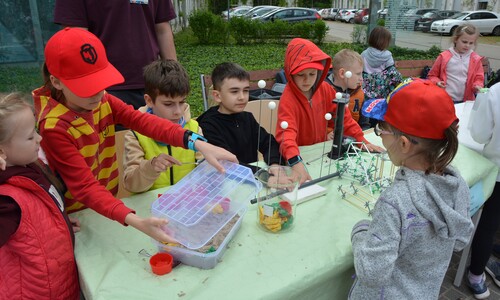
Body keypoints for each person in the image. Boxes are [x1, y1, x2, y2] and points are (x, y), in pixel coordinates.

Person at [32, 28, 236, 244]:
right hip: (77, 213)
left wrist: (195, 142)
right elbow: (84, 187)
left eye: (100, 84)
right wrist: (134, 220)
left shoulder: (101, 100)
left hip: (108, 205)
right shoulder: (54, 126)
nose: (98, 94)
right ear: (56, 82)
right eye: (87, 87)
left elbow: (141, 121)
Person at [350, 78, 474, 299]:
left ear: (404, 144)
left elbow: (372, 273)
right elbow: (460, 239)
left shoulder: (395, 202)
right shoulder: (457, 184)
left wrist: (360, 232)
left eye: (382, 129)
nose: (380, 136)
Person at [0, 94, 79, 299]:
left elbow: (34, 212)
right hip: (37, 292)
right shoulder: (6, 202)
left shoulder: (29, 166)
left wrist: (57, 224)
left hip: (61, 284)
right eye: (29, 137)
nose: (39, 138)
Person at [276, 38, 384, 184]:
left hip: (320, 154)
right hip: (298, 157)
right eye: (301, 75)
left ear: (319, 72)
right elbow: (285, 134)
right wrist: (295, 161)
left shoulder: (325, 90)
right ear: (290, 73)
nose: (307, 80)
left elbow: (344, 118)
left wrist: (362, 141)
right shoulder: (288, 98)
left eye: (312, 74)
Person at [54, 0, 177, 111]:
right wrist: (91, 89)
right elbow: (76, 39)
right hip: (104, 89)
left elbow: (162, 29)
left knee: (159, 134)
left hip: (153, 84)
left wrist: (174, 76)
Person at [123, 59, 203, 193]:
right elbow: (131, 185)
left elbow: (204, 170)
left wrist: (210, 165)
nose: (178, 111)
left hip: (188, 205)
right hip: (151, 209)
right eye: (168, 104)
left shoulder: (194, 128)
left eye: (182, 102)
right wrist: (151, 167)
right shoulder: (135, 135)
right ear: (149, 101)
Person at [197, 62, 281, 173]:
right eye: (234, 91)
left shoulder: (247, 118)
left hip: (254, 180)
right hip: (226, 183)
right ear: (217, 96)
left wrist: (274, 165)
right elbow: (228, 163)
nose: (242, 97)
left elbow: (268, 142)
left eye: (245, 90)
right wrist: (264, 175)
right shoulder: (207, 125)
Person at [467, 82, 500, 299]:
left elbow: (479, 135)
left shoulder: (496, 92)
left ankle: (475, 275)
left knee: (487, 224)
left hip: (496, 171)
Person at [428, 23, 484, 103]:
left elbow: (479, 78)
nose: (467, 45)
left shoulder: (475, 59)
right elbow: (432, 75)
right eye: (464, 42)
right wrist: (438, 82)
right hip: (445, 99)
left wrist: (477, 86)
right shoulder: (444, 57)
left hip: (467, 101)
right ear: (455, 39)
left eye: (471, 43)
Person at [361, 26, 403, 129]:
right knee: (379, 112)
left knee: (367, 110)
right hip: (382, 93)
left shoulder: (364, 54)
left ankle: (367, 127)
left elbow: (360, 69)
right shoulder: (387, 56)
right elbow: (393, 74)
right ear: (385, 42)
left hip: (366, 91)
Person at [331, 49, 367, 125]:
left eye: (361, 74)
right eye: (358, 74)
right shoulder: (324, 93)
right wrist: (328, 132)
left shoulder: (360, 93)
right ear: (342, 73)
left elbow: (364, 124)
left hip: (354, 135)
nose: (361, 78)